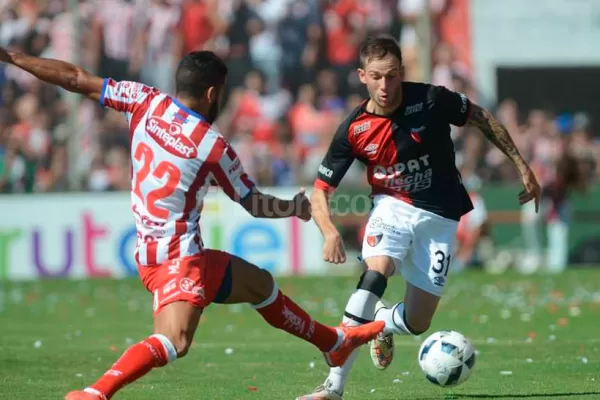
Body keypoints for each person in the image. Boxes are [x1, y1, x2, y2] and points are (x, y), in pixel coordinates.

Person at [0, 49, 385, 400]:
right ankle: (95, 393)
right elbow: (253, 203)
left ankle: (332, 342)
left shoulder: (143, 100)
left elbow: (73, 76)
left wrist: (14, 57)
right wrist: (296, 208)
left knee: (260, 285)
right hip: (178, 259)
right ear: (214, 93)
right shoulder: (210, 145)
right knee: (175, 340)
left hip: (156, 251)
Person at [297, 35, 541, 400]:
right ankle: (333, 386)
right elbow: (319, 190)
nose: (385, 85)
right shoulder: (354, 128)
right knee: (375, 273)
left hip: (441, 215)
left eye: (392, 76)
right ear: (362, 75)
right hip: (390, 207)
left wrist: (522, 165)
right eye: (377, 76)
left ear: (402, 73)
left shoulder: (430, 99)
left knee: (416, 323)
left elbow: (482, 118)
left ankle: (383, 325)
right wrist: (329, 231)